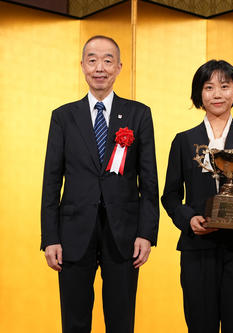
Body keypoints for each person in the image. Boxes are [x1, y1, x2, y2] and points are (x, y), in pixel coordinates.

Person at [41, 35, 159, 333]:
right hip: (73, 233)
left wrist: (146, 233)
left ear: (119, 67)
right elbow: (51, 181)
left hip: (124, 233)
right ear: (82, 65)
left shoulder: (138, 114)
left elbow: (149, 180)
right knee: (75, 319)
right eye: (92, 59)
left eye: (108, 60)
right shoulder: (63, 117)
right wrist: (50, 237)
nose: (100, 67)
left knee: (121, 320)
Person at [161, 59, 233, 333]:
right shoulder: (184, 140)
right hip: (198, 249)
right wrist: (189, 219)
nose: (217, 94)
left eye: (224, 86)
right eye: (208, 87)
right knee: (200, 326)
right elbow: (170, 196)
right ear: (199, 94)